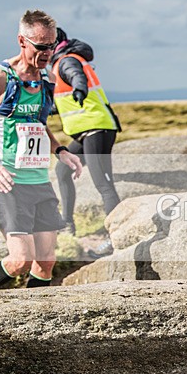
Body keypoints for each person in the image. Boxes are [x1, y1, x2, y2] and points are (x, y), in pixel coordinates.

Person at [0, 10, 82, 289]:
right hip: (8, 181)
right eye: (41, 46)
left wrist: (61, 151)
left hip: (39, 180)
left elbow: (38, 125)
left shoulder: (44, 81)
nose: (47, 52)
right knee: (21, 260)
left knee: (47, 261)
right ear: (22, 41)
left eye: (52, 45)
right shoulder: (0, 77)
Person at [51, 27, 121, 258]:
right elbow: (63, 99)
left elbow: (76, 76)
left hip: (97, 128)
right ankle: (67, 224)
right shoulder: (64, 60)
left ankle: (115, 240)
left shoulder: (65, 61)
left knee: (103, 184)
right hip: (85, 131)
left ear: (55, 43)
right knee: (62, 169)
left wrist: (79, 87)